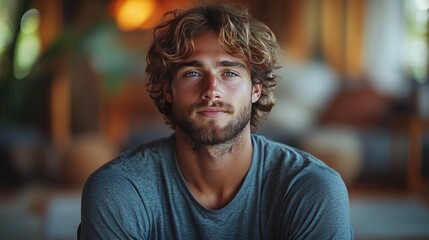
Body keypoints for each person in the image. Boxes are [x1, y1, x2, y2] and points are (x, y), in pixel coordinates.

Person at [79, 3, 353, 239]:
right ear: (167, 89)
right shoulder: (120, 189)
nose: (211, 90)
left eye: (229, 73)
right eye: (192, 73)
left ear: (255, 88)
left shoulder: (312, 188)